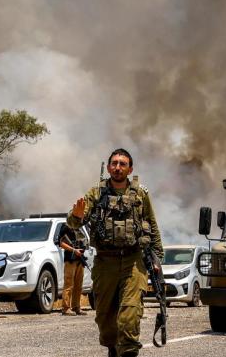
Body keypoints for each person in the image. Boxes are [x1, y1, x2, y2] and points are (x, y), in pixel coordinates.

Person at [68, 148, 163, 357]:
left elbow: (153, 226)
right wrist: (75, 216)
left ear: (130, 169)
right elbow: (75, 221)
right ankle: (113, 348)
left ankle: (128, 351)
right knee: (105, 319)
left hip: (133, 261)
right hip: (105, 262)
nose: (117, 167)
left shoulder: (140, 194)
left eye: (122, 164)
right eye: (114, 163)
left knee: (129, 316)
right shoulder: (96, 193)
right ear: (109, 166)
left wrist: (157, 259)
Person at [56, 224, 87, 315]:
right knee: (69, 284)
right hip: (70, 259)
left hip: (79, 259)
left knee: (78, 285)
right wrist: (73, 250)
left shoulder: (80, 226)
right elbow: (61, 243)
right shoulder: (66, 226)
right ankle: (65, 308)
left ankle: (76, 307)